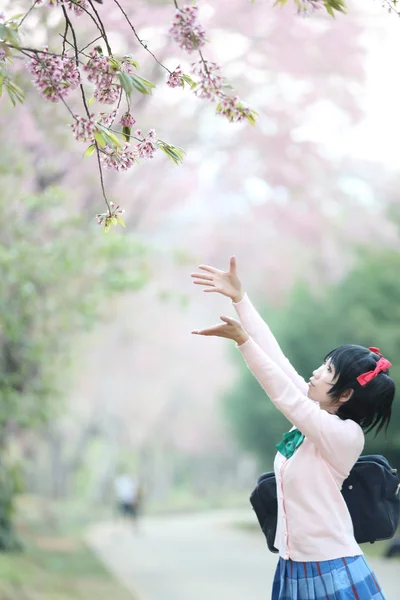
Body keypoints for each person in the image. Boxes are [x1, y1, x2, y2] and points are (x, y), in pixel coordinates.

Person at [191, 256, 395, 600]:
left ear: (345, 393)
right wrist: (240, 299)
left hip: (332, 568)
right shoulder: (313, 418)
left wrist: (243, 342)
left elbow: (285, 395)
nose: (316, 372)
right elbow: (279, 362)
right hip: (293, 566)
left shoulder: (343, 436)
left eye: (327, 370)